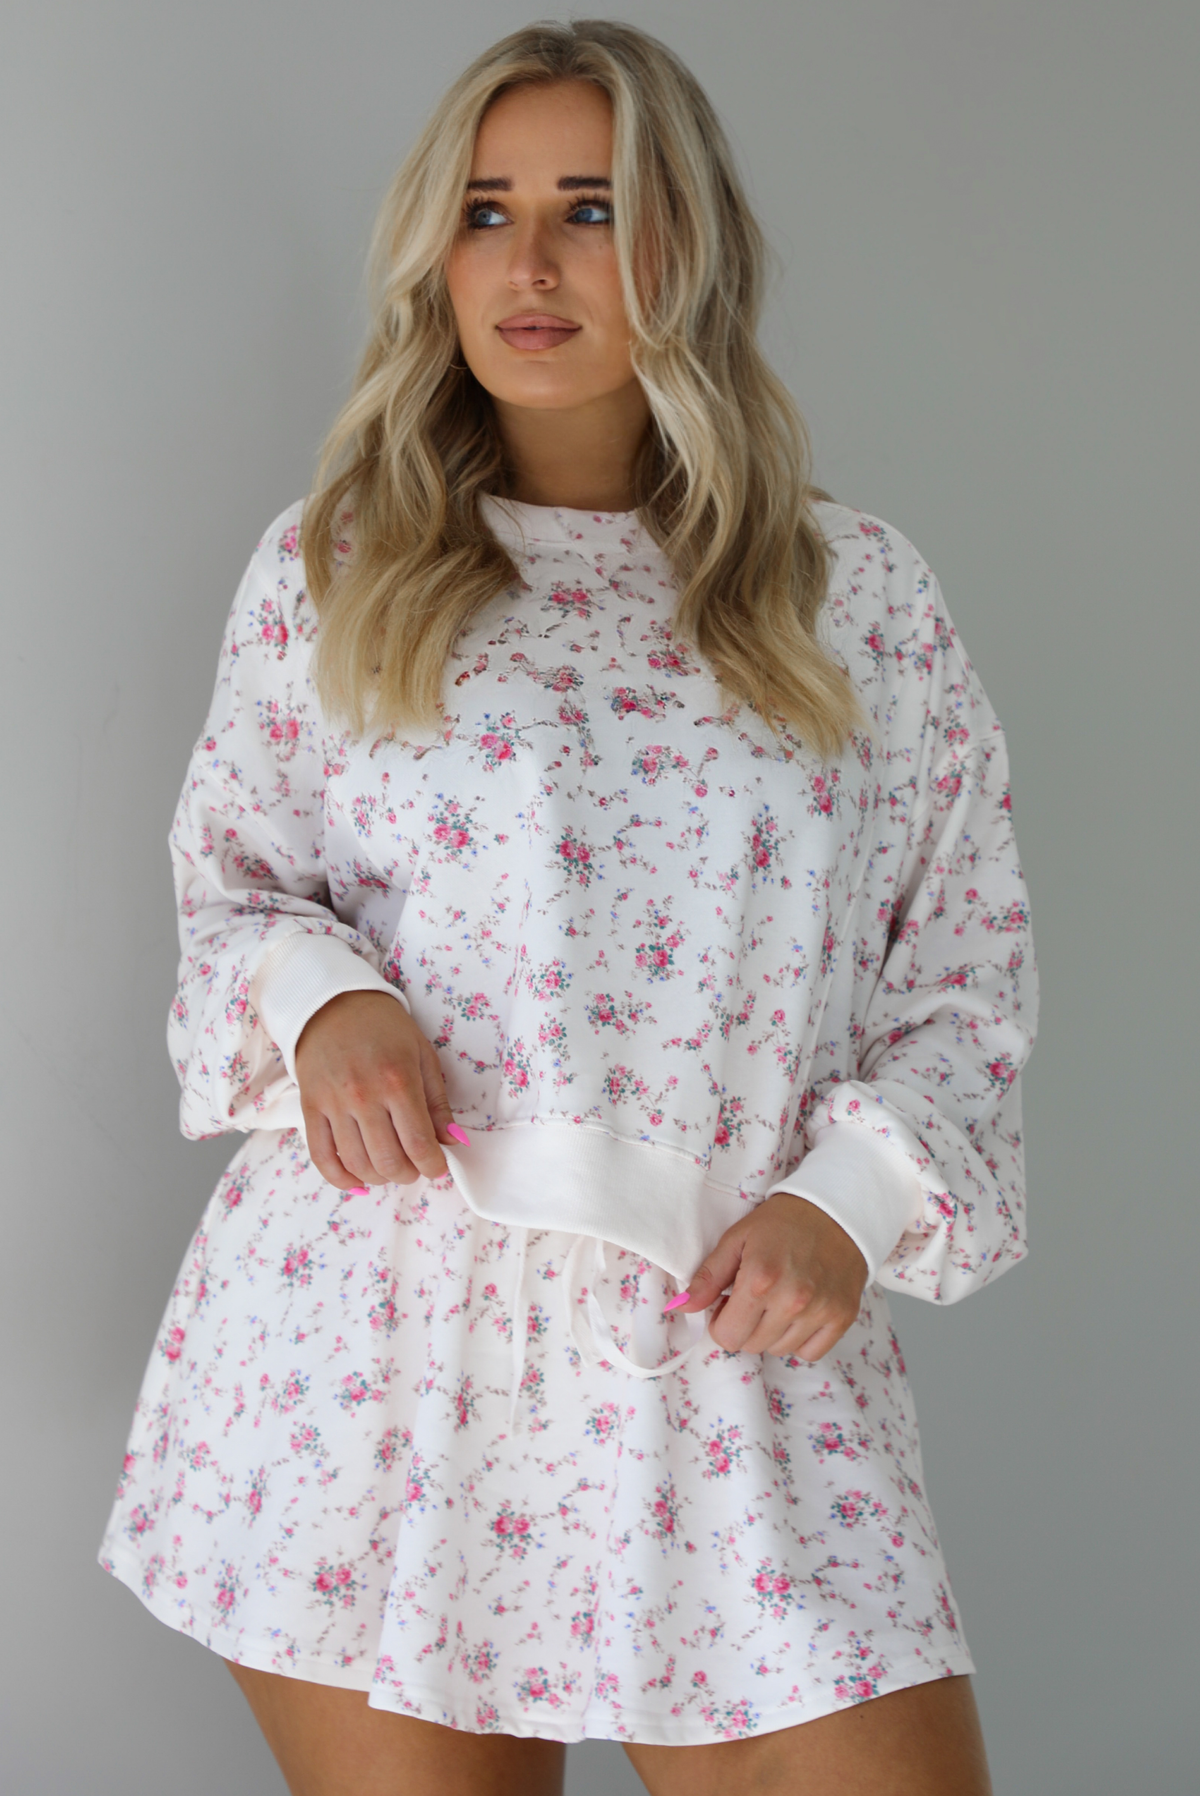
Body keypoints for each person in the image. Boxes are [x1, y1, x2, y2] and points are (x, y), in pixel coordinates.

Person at [99, 18, 1035, 1795]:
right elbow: (232, 886)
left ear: (689, 245)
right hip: (379, 1356)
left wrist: (850, 1201)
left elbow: (965, 985)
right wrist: (323, 1000)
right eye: (485, 209)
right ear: (432, 254)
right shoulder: (343, 565)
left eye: (591, 209)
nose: (527, 264)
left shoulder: (860, 601)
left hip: (734, 1351)